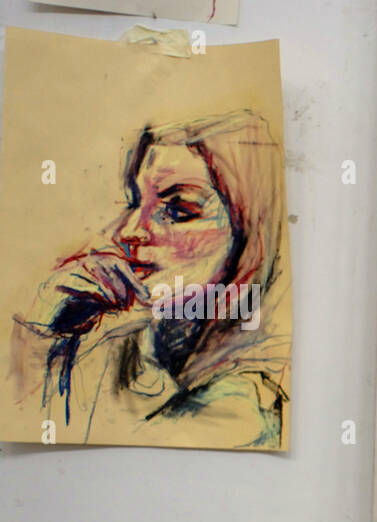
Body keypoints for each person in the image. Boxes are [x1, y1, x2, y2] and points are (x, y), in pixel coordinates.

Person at [9, 109, 290, 449]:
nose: (129, 231)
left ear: (248, 233)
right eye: (136, 202)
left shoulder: (248, 402)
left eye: (177, 210)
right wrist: (41, 334)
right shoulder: (139, 338)